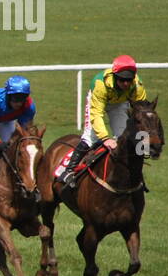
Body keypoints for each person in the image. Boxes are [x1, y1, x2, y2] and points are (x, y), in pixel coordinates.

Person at [61, 55, 148, 187]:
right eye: (122, 80)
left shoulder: (137, 86)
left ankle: (133, 174)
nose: (126, 84)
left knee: (124, 136)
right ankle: (69, 171)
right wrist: (105, 138)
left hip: (118, 104)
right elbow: (96, 114)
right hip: (98, 102)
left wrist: (142, 135)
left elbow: (141, 111)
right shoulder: (100, 84)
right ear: (114, 76)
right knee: (91, 137)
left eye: (129, 80)